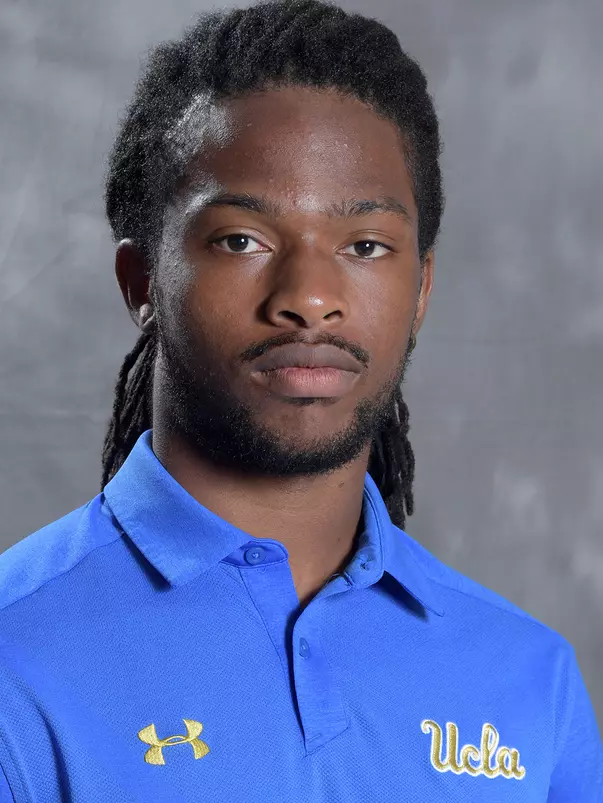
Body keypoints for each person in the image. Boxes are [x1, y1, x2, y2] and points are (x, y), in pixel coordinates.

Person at [0, 0, 601, 799]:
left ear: (418, 289)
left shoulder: (531, 679)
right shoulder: (17, 657)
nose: (310, 297)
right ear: (142, 281)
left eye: (364, 245)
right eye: (240, 239)